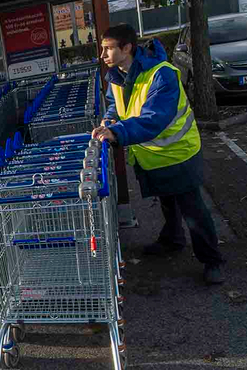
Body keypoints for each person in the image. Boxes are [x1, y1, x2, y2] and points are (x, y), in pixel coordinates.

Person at [92, 24, 225, 285]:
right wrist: (109, 122)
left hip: (178, 153)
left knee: (193, 210)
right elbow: (115, 107)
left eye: (108, 48)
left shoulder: (162, 75)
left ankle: (212, 260)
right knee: (167, 202)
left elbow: (155, 119)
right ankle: (173, 239)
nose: (102, 54)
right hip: (152, 155)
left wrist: (117, 133)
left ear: (127, 48)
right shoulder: (116, 75)